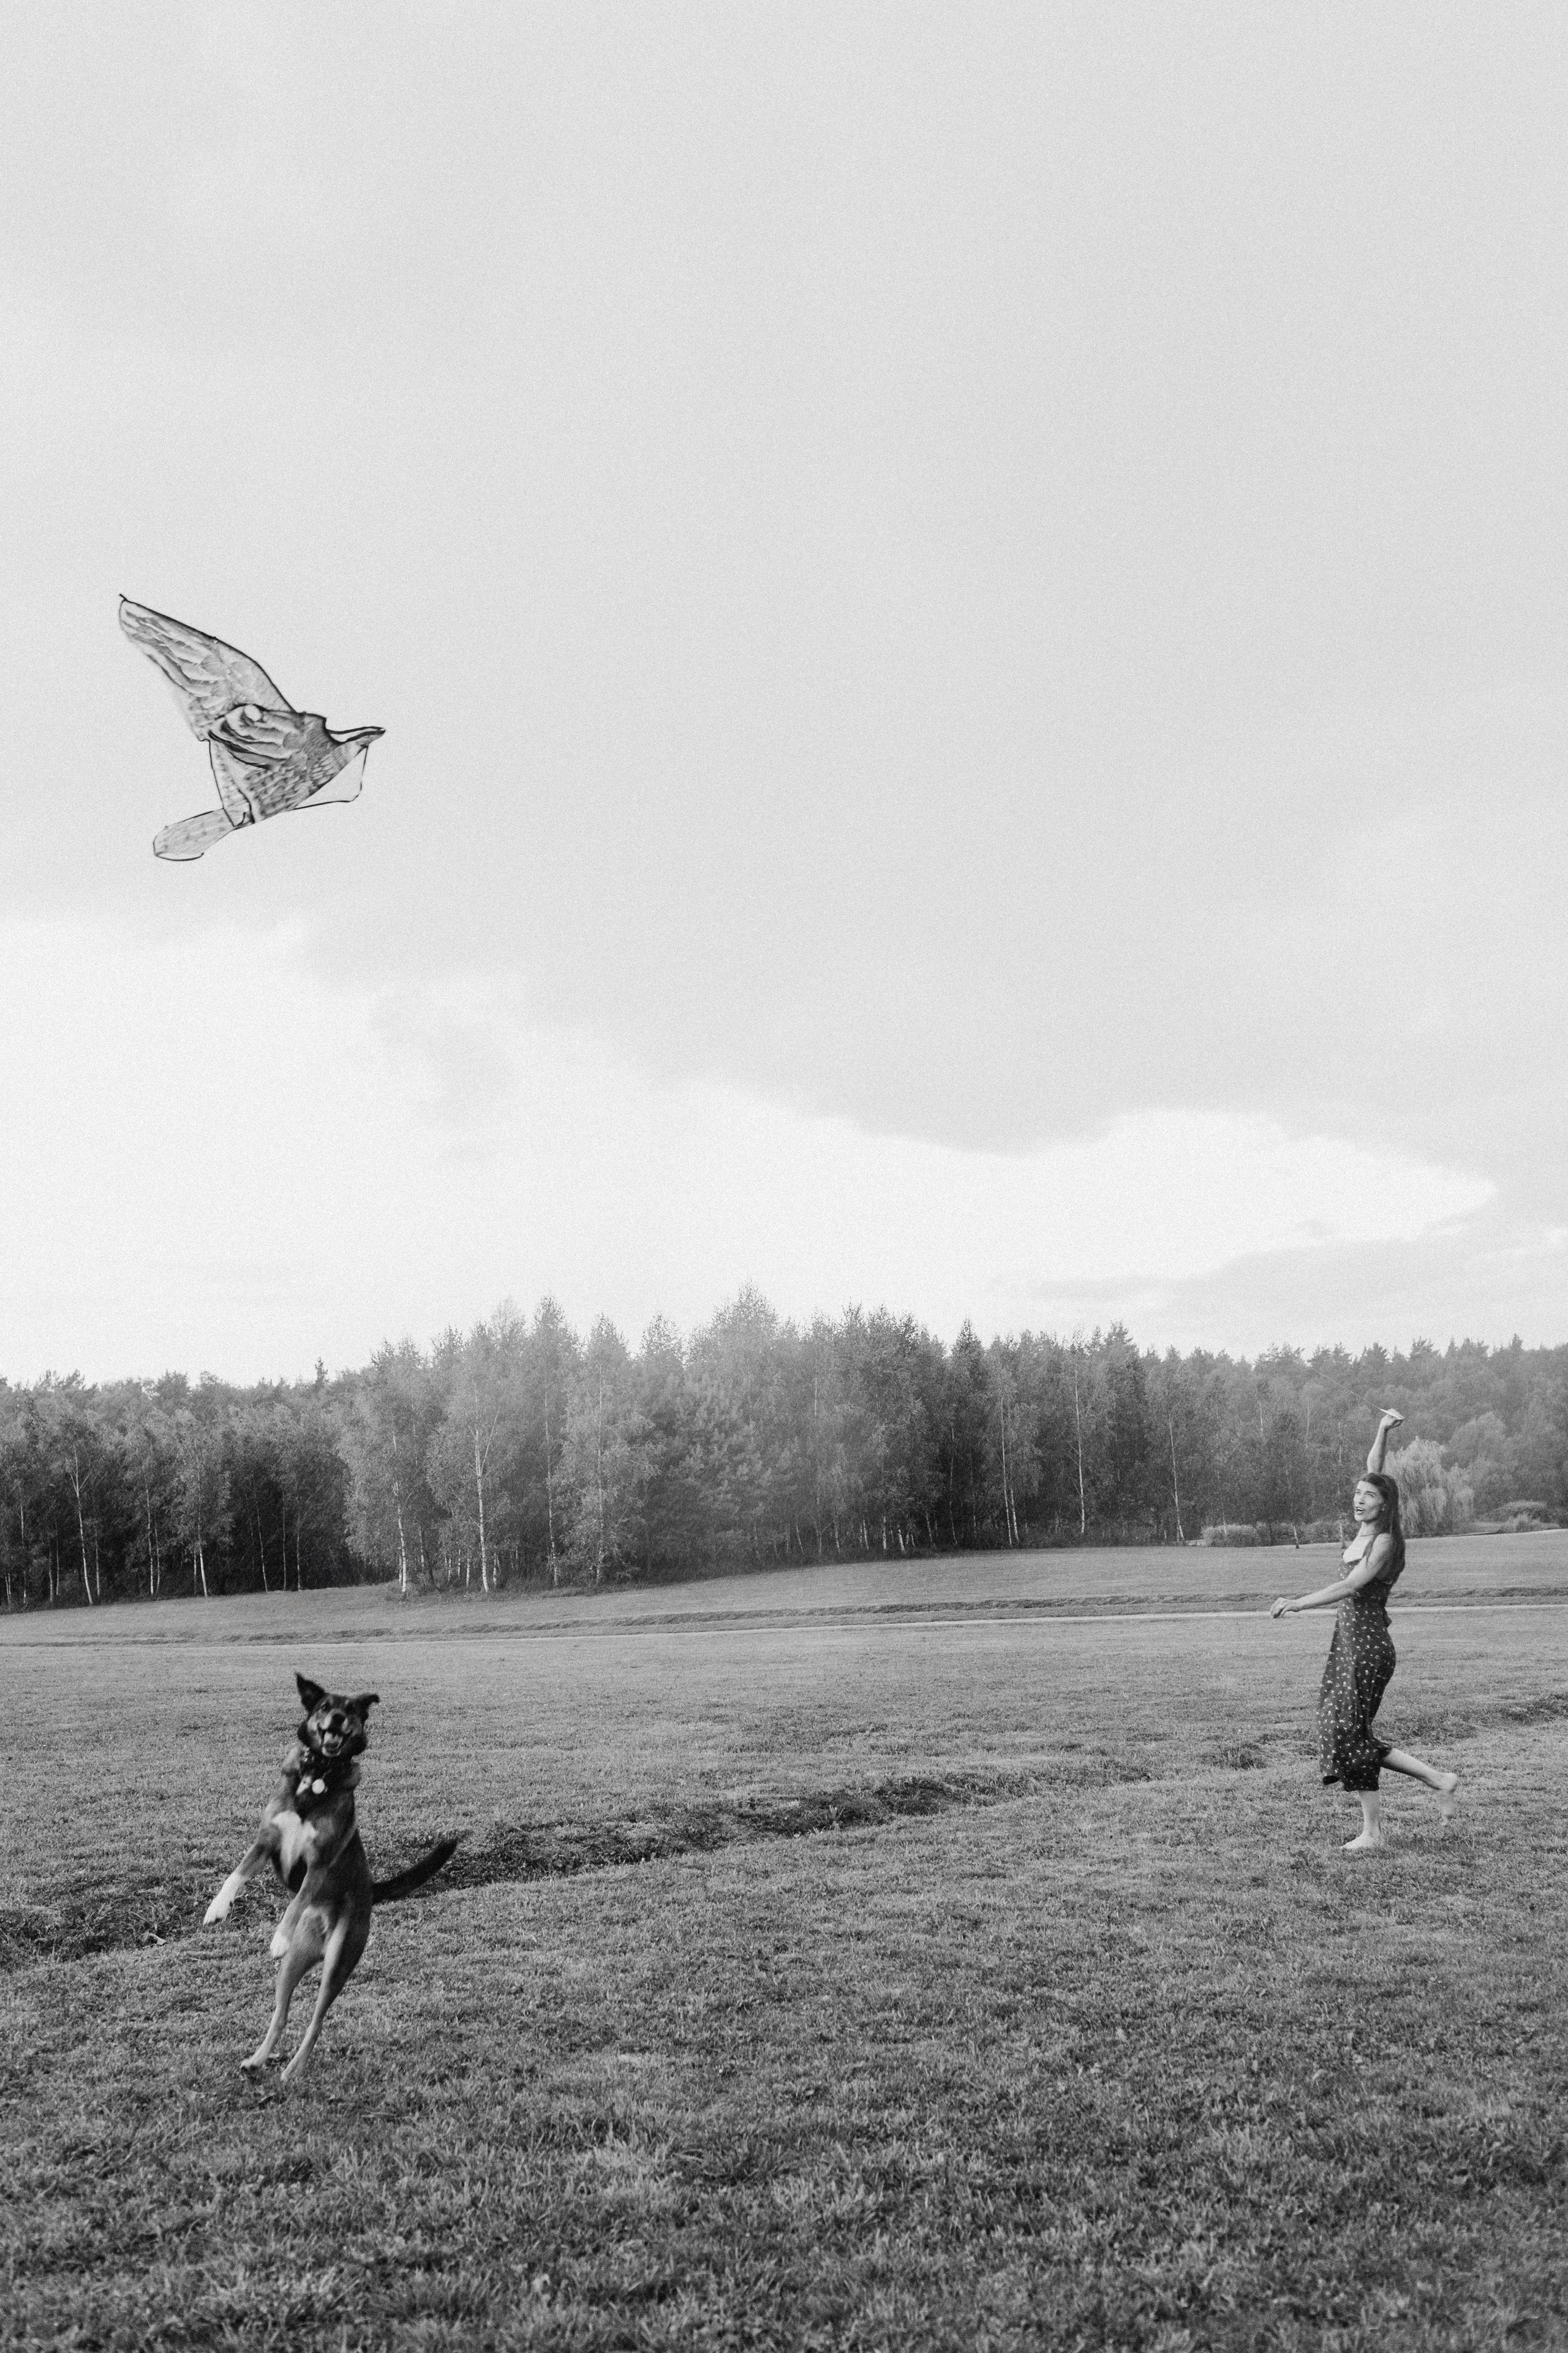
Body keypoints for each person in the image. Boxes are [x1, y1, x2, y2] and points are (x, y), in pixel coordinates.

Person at [1272, 1408, 1460, 1851]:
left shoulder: (1385, 1542)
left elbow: (1351, 1584)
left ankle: (1374, 1832)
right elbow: (1375, 1468)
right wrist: (1382, 1430)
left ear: (1384, 1504)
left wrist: (1298, 1602)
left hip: (1370, 1645)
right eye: (1357, 1493)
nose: (1359, 1499)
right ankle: (1438, 1779)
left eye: (1368, 1496)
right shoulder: (1367, 1525)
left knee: (1350, 1734)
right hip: (1349, 1642)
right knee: (1342, 1729)